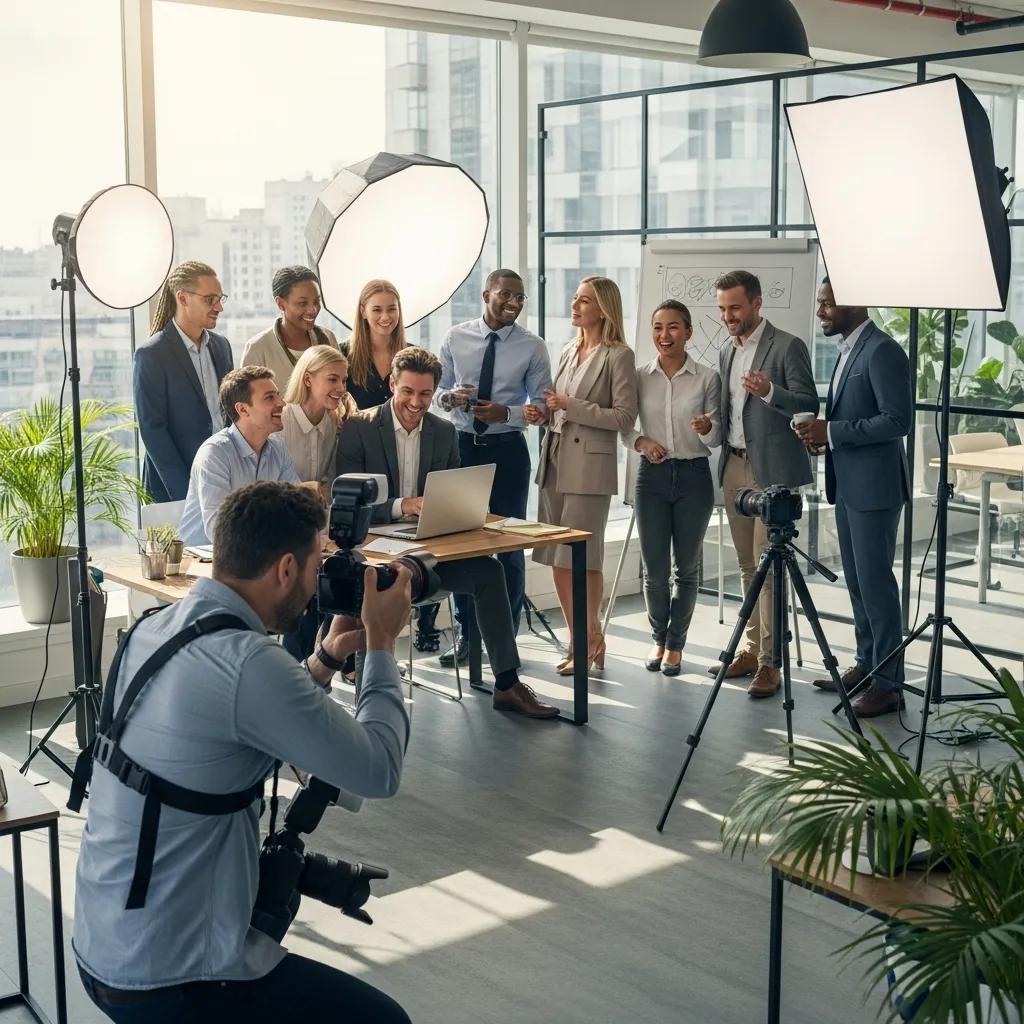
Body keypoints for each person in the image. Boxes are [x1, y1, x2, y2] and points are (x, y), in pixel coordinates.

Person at [74, 481, 412, 1024]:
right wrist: (381, 644)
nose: (315, 583)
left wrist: (325, 656)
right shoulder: (249, 662)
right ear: (284, 569)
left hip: (103, 946)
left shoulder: (155, 628)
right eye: (314, 565)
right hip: (175, 976)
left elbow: (235, 723)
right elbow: (379, 768)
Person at [338, 346, 558, 719]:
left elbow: (450, 496)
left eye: (425, 394)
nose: (415, 402)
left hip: (423, 554)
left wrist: (458, 513)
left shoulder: (442, 431)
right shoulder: (359, 427)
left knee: (489, 571)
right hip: (373, 556)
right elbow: (342, 500)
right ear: (392, 383)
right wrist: (401, 505)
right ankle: (368, 692)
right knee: (370, 581)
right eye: (407, 391)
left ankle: (506, 684)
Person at [794, 277, 912, 718]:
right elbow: (858, 417)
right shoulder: (848, 350)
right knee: (859, 584)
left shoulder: (882, 351)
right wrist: (826, 439)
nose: (821, 311)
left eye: (827, 304)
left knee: (877, 586)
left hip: (876, 490)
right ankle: (867, 665)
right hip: (848, 485)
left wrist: (834, 432)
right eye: (821, 303)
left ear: (856, 304)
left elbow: (896, 420)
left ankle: (888, 685)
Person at [435, 269, 552, 666]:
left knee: (510, 546)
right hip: (463, 449)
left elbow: (544, 407)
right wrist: (449, 397)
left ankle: (506, 642)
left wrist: (508, 412)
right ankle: (468, 638)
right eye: (507, 295)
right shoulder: (455, 337)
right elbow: (437, 392)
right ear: (486, 294)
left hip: (509, 453)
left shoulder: (532, 347)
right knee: (459, 546)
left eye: (521, 297)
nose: (514, 303)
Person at [712, 270, 819, 698]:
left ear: (757, 303)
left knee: (768, 568)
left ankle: (772, 663)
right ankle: (754, 651)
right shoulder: (725, 351)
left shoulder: (787, 345)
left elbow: (809, 402)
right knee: (745, 566)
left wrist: (771, 390)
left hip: (773, 470)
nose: (728, 316)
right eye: (722, 309)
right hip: (734, 466)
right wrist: (708, 425)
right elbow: (731, 413)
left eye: (734, 307)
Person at [526, 276, 637, 677]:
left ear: (603, 308)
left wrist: (571, 406)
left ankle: (589, 638)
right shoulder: (569, 348)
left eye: (584, 300)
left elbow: (623, 418)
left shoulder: (619, 356)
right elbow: (560, 408)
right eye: (574, 298)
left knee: (584, 559)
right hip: (554, 461)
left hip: (590, 469)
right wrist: (545, 414)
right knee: (554, 554)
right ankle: (580, 639)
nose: (575, 306)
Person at [623, 299, 721, 676]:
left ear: (689, 332)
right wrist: (642, 443)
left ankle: (676, 645)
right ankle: (658, 638)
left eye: (674, 327)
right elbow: (624, 425)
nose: (665, 335)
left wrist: (706, 428)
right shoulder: (638, 376)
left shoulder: (706, 377)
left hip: (695, 477)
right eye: (658, 327)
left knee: (687, 569)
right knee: (654, 570)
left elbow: (716, 437)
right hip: (652, 477)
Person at [134, 261, 233, 502]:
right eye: (210, 299)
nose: (219, 307)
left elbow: (229, 414)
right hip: (177, 488)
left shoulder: (221, 346)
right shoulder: (152, 354)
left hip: (224, 477)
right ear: (183, 298)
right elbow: (153, 430)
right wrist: (185, 493)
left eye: (220, 298)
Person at [179, 367, 299, 546]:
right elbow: (219, 529)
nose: (282, 403)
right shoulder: (215, 453)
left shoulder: (278, 448)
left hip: (254, 556)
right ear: (243, 409)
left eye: (278, 395)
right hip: (201, 562)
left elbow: (298, 508)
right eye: (269, 398)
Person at [241, 266, 341, 387]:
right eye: (303, 303)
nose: (312, 310)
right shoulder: (258, 349)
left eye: (316, 302)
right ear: (280, 304)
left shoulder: (328, 338)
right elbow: (249, 401)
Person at [281, 345, 357, 489]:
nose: (341, 388)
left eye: (344, 380)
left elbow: (330, 483)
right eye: (332, 379)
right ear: (308, 379)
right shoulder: (280, 422)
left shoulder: (334, 424)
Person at [342, 280, 407, 411]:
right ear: (363, 311)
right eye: (377, 310)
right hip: (355, 431)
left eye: (392, 309)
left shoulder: (413, 356)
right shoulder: (342, 355)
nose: (385, 317)